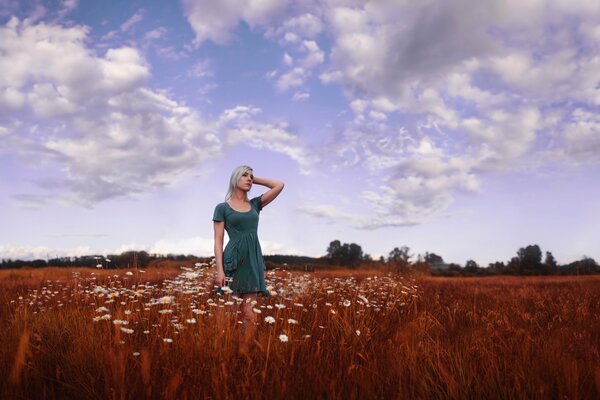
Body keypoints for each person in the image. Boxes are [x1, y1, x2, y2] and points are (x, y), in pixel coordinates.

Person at [212, 165, 284, 351]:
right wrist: (219, 270)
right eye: (244, 175)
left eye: (251, 176)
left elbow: (279, 185)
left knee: (250, 314)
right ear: (234, 178)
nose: (249, 178)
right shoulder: (222, 208)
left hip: (252, 260)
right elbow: (218, 241)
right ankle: (223, 349)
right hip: (233, 260)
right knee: (229, 311)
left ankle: (243, 351)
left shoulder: (255, 204)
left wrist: (255, 179)